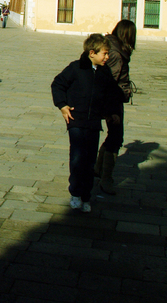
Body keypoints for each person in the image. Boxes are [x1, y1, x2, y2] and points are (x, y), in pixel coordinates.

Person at [50, 33, 121, 213]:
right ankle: (75, 192)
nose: (107, 57)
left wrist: (111, 113)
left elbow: (110, 94)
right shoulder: (76, 68)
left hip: (94, 123)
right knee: (77, 157)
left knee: (90, 160)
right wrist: (62, 105)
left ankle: (86, 195)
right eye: (104, 53)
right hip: (76, 120)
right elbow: (58, 84)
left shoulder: (105, 72)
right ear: (92, 53)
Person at [95, 19, 136, 195]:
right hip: (112, 100)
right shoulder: (117, 54)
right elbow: (110, 80)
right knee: (116, 138)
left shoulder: (113, 47)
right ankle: (106, 179)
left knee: (113, 136)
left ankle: (98, 169)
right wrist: (109, 107)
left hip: (114, 99)